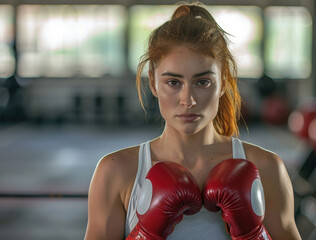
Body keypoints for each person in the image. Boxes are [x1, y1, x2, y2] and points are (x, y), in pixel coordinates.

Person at [84, 2, 301, 240]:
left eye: (203, 82)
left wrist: (253, 234)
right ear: (154, 83)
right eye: (174, 82)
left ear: (224, 82)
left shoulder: (267, 168)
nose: (188, 100)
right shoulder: (116, 172)